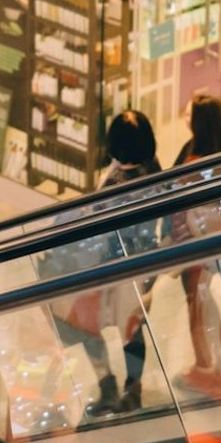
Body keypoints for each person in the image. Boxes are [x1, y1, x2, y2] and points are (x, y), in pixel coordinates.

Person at [47, 109, 164, 419]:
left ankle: (108, 384)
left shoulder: (118, 184)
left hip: (112, 270)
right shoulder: (154, 169)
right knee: (133, 332)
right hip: (143, 268)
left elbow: (100, 231)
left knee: (84, 326)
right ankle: (131, 390)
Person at [168, 95, 221, 396]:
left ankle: (204, 368)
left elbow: (174, 197)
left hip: (196, 241)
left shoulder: (193, 165)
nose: (184, 116)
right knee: (205, 296)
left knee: (195, 303)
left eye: (189, 113)